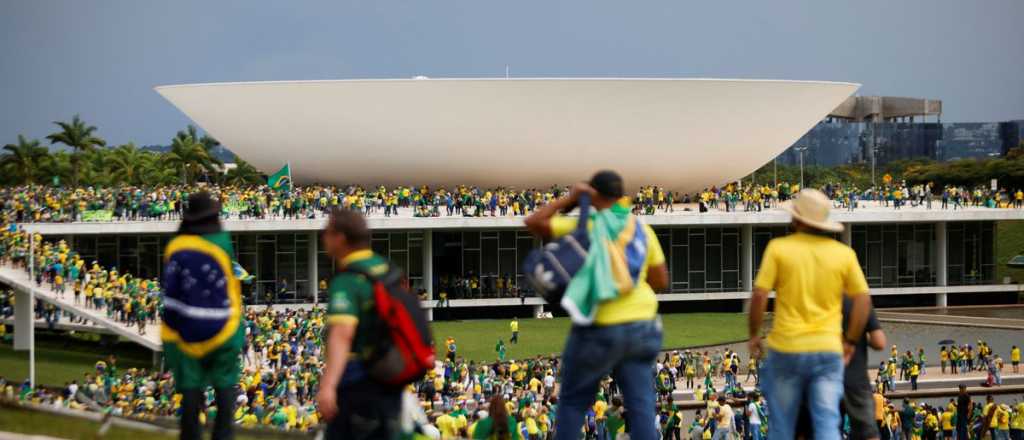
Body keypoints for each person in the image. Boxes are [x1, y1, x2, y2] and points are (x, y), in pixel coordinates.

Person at [524, 170, 668, 440]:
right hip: (643, 325)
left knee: (573, 402)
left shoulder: (589, 224)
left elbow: (534, 222)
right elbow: (661, 278)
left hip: (599, 325)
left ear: (594, 193)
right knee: (641, 407)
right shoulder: (640, 227)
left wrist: (570, 201)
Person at [748, 188, 872, 440]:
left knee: (782, 425)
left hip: (787, 348)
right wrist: (850, 340)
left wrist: (753, 335)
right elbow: (862, 300)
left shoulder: (779, 248)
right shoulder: (844, 254)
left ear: (797, 219)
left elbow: (760, 295)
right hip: (827, 349)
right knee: (827, 423)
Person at [160, 192, 244, 440]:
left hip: (187, 330)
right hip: (223, 327)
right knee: (225, 386)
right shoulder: (222, 241)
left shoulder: (175, 246)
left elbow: (171, 292)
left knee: (190, 390)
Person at [316, 208, 405, 439]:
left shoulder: (348, 279)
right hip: (391, 371)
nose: (323, 237)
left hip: (358, 376)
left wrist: (328, 385)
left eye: (326, 232)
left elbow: (342, 333)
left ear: (341, 237)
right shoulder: (387, 269)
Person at [843, 296, 887, 440]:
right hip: (855, 378)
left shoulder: (817, 299)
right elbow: (879, 342)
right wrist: (859, 337)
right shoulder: (859, 300)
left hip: (824, 378)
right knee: (868, 433)